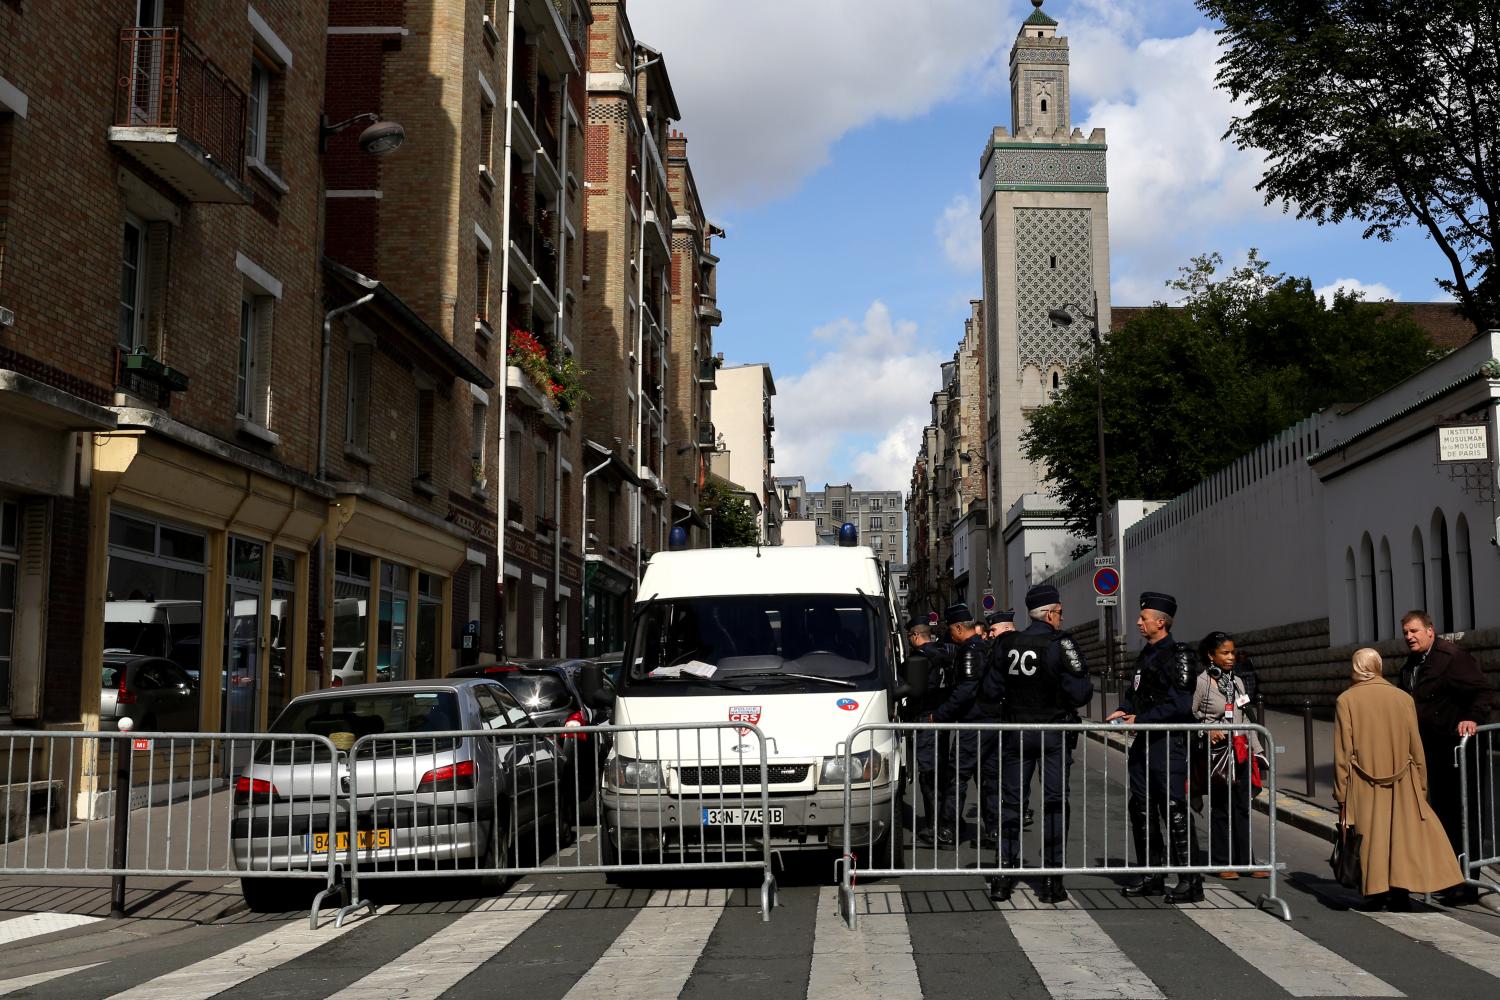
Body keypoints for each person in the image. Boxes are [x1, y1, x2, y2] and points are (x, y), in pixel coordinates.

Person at [984, 584, 1093, 904]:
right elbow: (1081, 693)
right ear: (1049, 613)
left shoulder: (1007, 643)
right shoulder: (1061, 644)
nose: (1061, 618)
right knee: (1055, 803)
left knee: (1011, 803)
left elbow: (989, 691)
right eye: (1059, 612)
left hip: (1016, 732)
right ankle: (1052, 878)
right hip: (1052, 733)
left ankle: (1004, 876)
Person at [1335, 647, 1464, 911]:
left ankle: (1376, 891)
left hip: (1363, 779)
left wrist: (1341, 792)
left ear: (1357, 667)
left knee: (1371, 835)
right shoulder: (1403, 698)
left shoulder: (1346, 700)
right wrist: (1422, 784)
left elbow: (1342, 753)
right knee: (1400, 836)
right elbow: (1416, 746)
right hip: (1403, 778)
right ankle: (1400, 892)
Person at [1106, 592, 1202, 903]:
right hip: (1145, 741)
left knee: (1173, 808)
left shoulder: (1180, 655)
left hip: (1168, 742)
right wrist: (1124, 710)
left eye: (1143, 618)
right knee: (1141, 807)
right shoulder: (1144, 655)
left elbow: (1181, 704)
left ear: (1160, 622)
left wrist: (1140, 718)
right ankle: (1152, 873)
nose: (1138, 622)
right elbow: (1136, 693)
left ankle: (1190, 879)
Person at [1397, 610, 1497, 905]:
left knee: (1464, 816)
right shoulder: (1413, 664)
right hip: (1431, 751)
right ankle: (1450, 877)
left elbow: (1484, 691)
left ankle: (1468, 885)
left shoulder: (1452, 657)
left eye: (1414, 631)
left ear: (1430, 630)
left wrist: (1471, 718)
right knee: (1442, 817)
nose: (1409, 637)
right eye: (1405, 633)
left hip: (1458, 750)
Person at [1192, 632, 1267, 880]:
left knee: (1243, 807)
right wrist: (1208, 729)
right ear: (1210, 656)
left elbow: (1246, 718)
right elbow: (1190, 716)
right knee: (1222, 808)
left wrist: (1259, 751)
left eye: (1232, 652)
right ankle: (1222, 861)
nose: (1231, 657)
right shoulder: (1203, 682)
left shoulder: (1237, 682)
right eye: (1225, 653)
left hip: (1241, 751)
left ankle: (1247, 861)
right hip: (1217, 755)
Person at [927, 603, 1000, 848]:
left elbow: (966, 689)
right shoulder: (982, 647)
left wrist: (939, 714)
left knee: (957, 775)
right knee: (988, 777)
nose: (949, 633)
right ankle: (994, 831)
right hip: (988, 721)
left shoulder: (970, 650)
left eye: (950, 629)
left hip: (974, 723)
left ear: (959, 627)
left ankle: (948, 830)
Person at [907, 618, 956, 839]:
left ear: (917, 636)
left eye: (909, 636)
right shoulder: (945, 654)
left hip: (925, 717)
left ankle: (935, 826)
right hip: (942, 717)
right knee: (942, 771)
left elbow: (913, 690)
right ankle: (945, 822)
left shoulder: (919, 657)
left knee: (928, 774)